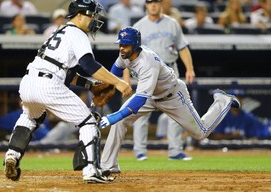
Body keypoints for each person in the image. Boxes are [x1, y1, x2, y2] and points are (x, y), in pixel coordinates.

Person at [3, 0, 132, 184]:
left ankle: (12, 155)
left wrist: (89, 85)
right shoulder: (77, 33)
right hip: (48, 84)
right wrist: (118, 82)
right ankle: (91, 171)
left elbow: (69, 73)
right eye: (91, 15)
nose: (94, 20)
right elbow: (88, 64)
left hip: (28, 82)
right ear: (80, 15)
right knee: (89, 121)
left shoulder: (59, 31)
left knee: (31, 117)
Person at [99, 26, 240, 173]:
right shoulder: (125, 55)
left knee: (200, 133)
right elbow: (115, 70)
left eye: (125, 45)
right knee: (119, 123)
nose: (121, 48)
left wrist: (115, 115)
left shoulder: (147, 62)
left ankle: (222, 100)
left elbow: (140, 100)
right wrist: (107, 88)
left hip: (172, 95)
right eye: (120, 44)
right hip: (150, 95)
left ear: (135, 45)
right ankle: (109, 166)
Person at [131, 0, 195, 161]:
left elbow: (183, 47)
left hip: (170, 70)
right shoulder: (138, 27)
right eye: (150, 2)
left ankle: (175, 151)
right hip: (148, 73)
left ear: (161, 3)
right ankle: (140, 151)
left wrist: (189, 68)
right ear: (146, 4)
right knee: (141, 113)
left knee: (176, 112)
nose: (153, 5)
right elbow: (129, 54)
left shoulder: (172, 23)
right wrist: (126, 78)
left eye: (156, 2)